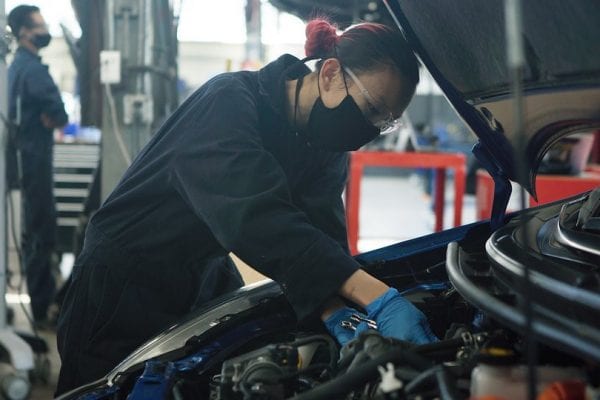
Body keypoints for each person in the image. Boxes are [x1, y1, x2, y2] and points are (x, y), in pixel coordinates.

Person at [56, 18, 437, 394]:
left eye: (384, 123)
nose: (369, 131)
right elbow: (256, 217)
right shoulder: (228, 101)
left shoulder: (324, 146)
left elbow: (323, 235)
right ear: (331, 74)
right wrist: (380, 298)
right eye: (372, 109)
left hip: (202, 273)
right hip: (124, 281)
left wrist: (336, 310)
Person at [7, 5, 68, 328]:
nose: (45, 30)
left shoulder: (17, 67)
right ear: (23, 32)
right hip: (34, 159)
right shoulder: (31, 70)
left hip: (27, 158)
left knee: (36, 232)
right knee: (42, 234)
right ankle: (42, 311)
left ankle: (43, 304)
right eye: (39, 25)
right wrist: (55, 117)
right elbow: (57, 111)